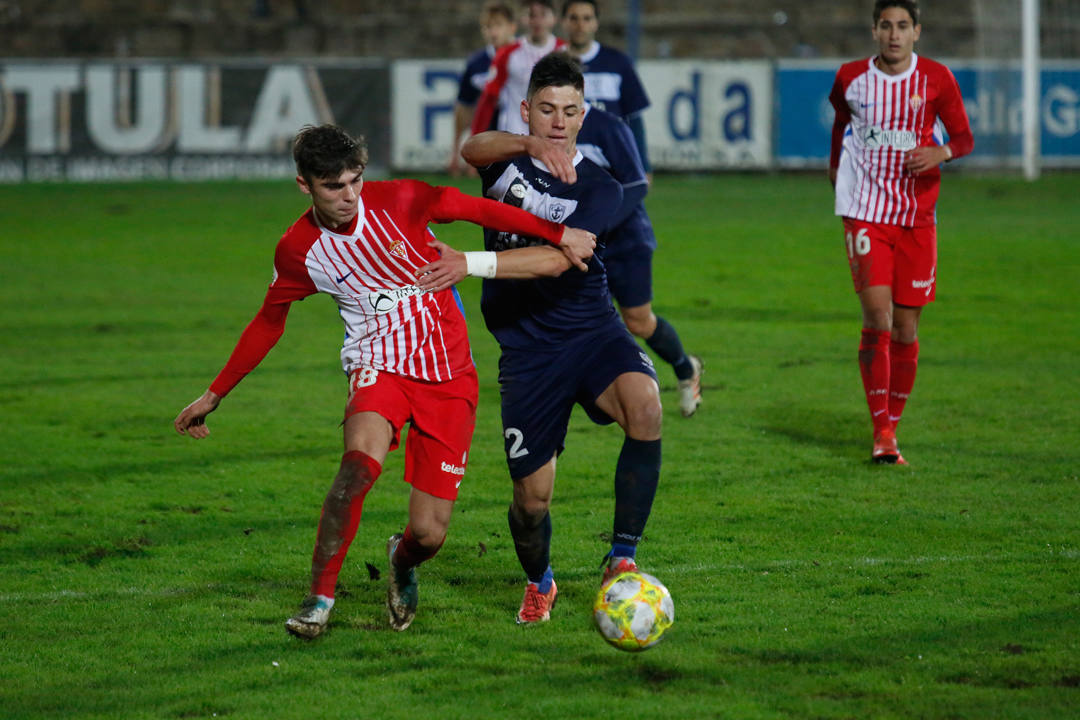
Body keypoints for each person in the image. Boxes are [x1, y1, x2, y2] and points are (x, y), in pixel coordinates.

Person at [173, 124, 596, 639]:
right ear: (304, 185)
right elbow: (268, 321)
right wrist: (214, 394)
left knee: (429, 533)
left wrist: (559, 233)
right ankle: (320, 597)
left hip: (449, 376)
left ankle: (402, 560)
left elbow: (476, 209)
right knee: (358, 465)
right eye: (334, 187)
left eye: (355, 181)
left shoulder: (400, 199)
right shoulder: (299, 250)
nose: (349, 195)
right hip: (378, 368)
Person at [418, 53, 663, 625]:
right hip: (528, 353)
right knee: (531, 503)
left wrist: (469, 263)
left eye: (570, 111)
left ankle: (622, 559)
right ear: (527, 111)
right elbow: (471, 149)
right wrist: (527, 146)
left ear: (585, 115)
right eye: (546, 110)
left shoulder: (601, 188)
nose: (558, 121)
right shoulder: (505, 163)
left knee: (646, 409)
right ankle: (540, 581)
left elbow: (557, 261)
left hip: (590, 330)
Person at [828, 0, 972, 464]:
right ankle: (882, 432)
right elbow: (842, 123)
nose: (894, 34)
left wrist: (941, 153)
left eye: (902, 26)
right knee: (878, 317)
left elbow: (964, 138)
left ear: (917, 32)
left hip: (917, 218)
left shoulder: (936, 78)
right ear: (874, 31)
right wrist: (836, 168)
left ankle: (893, 420)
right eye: (886, 26)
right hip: (866, 211)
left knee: (907, 329)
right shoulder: (851, 78)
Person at [576, 100, 703, 416]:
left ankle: (686, 369)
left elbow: (635, 185)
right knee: (577, 316)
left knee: (638, 321)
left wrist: (596, 227)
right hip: (582, 240)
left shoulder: (608, 126)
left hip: (626, 241)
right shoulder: (548, 130)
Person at [561, 0, 651, 173]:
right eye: (574, 18)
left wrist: (643, 166)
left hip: (611, 164)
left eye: (587, 18)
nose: (580, 25)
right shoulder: (553, 63)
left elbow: (634, 118)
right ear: (564, 22)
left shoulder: (618, 63)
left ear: (596, 23)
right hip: (564, 164)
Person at [470, 0, 565, 137]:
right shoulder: (507, 54)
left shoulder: (564, 51)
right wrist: (475, 137)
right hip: (513, 137)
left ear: (554, 18)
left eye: (543, 15)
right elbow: (488, 99)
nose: (537, 21)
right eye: (531, 15)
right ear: (523, 18)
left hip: (552, 137)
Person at [448, 1, 518, 176]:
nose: (493, 32)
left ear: (512, 27)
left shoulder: (524, 57)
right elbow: (464, 106)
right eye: (488, 27)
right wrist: (455, 151)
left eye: (498, 25)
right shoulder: (476, 64)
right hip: (490, 135)